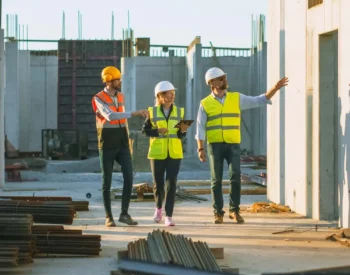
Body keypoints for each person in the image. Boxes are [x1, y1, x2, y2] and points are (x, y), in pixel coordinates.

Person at [196, 67, 288, 224]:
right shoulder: (205, 104)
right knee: (216, 180)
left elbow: (260, 99)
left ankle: (234, 211)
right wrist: (200, 148)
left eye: (224, 77)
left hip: (233, 145)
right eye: (222, 78)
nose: (225, 80)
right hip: (215, 146)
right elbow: (200, 127)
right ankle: (218, 213)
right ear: (212, 83)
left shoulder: (236, 98)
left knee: (235, 177)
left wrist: (275, 88)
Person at [92, 66, 149, 227]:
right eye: (118, 79)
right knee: (106, 181)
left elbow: (122, 121)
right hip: (107, 143)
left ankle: (124, 213)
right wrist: (134, 113)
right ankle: (108, 216)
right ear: (109, 81)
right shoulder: (99, 98)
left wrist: (128, 137)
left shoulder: (121, 96)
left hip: (123, 143)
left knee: (129, 177)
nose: (120, 82)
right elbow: (110, 116)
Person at [142, 81, 190, 226]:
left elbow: (182, 135)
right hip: (157, 153)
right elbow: (145, 131)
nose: (172, 95)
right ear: (160, 96)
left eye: (173, 93)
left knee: (172, 184)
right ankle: (158, 209)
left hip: (174, 153)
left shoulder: (180, 111)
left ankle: (169, 216)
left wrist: (183, 130)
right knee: (158, 183)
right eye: (169, 93)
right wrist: (157, 131)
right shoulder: (153, 112)